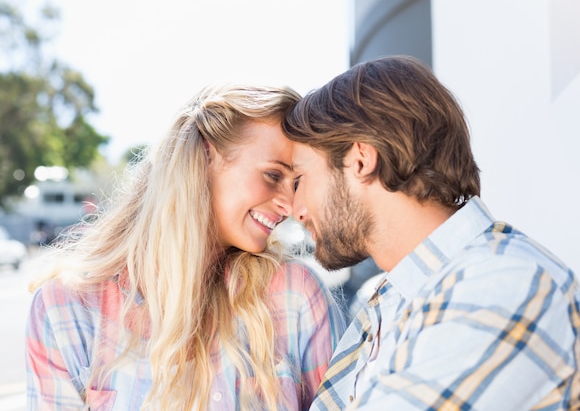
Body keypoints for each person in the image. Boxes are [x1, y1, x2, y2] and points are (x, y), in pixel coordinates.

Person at [282, 55, 580, 410]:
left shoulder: (500, 286)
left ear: (361, 160)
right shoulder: (395, 296)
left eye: (299, 180)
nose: (293, 209)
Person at [25, 84, 345, 411]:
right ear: (206, 154)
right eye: (273, 174)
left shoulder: (294, 296)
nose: (288, 205)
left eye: (294, 183)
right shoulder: (68, 308)